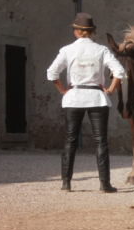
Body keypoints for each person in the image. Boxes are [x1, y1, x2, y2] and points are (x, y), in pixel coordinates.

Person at [47, 12, 126, 193]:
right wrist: (112, 89)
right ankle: (104, 184)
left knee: (70, 140)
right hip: (97, 97)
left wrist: (63, 90)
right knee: (101, 142)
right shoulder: (101, 50)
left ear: (76, 31)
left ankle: (66, 182)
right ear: (92, 32)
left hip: (74, 96)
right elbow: (119, 72)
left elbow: (52, 73)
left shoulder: (67, 50)